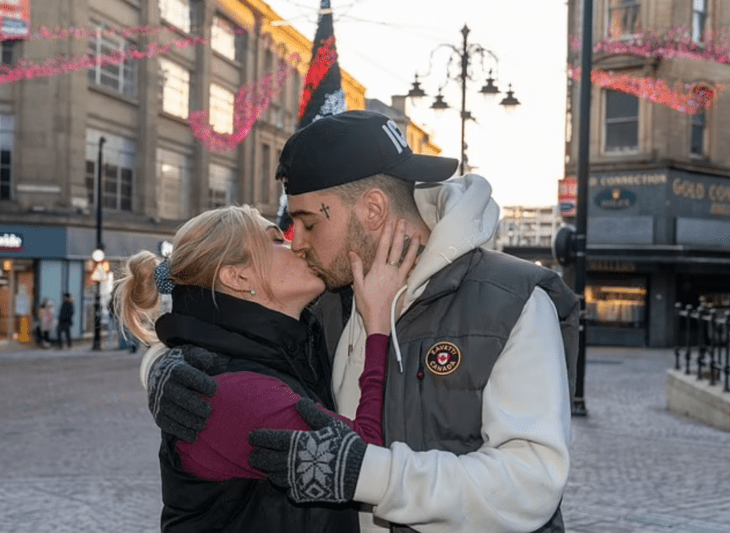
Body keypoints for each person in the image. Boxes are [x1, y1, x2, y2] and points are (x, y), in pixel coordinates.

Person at [144, 111, 580, 533]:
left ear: (372, 209)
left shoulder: (513, 300)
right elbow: (233, 339)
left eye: (308, 223)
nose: (298, 244)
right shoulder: (327, 294)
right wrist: (165, 365)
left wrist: (370, 474)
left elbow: (532, 484)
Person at [118, 204, 418, 532]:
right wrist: (378, 325)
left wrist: (159, 359)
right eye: (277, 240)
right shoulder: (230, 390)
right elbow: (365, 460)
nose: (298, 247)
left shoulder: (283, 347)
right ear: (237, 276)